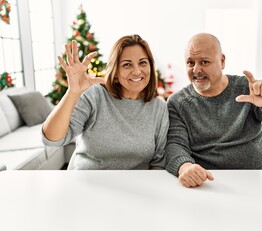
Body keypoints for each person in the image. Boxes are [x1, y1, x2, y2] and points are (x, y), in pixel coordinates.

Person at [165, 33, 262, 187]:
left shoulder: (247, 88)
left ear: (222, 61)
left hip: (254, 180)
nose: (196, 70)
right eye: (190, 62)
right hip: (206, 182)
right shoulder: (177, 102)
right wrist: (185, 167)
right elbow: (175, 144)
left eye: (204, 61)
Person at [42, 34, 169, 170]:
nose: (137, 71)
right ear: (115, 71)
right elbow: (52, 139)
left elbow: (158, 163)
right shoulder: (96, 95)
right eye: (127, 65)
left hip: (133, 187)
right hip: (87, 183)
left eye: (143, 62)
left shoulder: (159, 107)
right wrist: (72, 92)